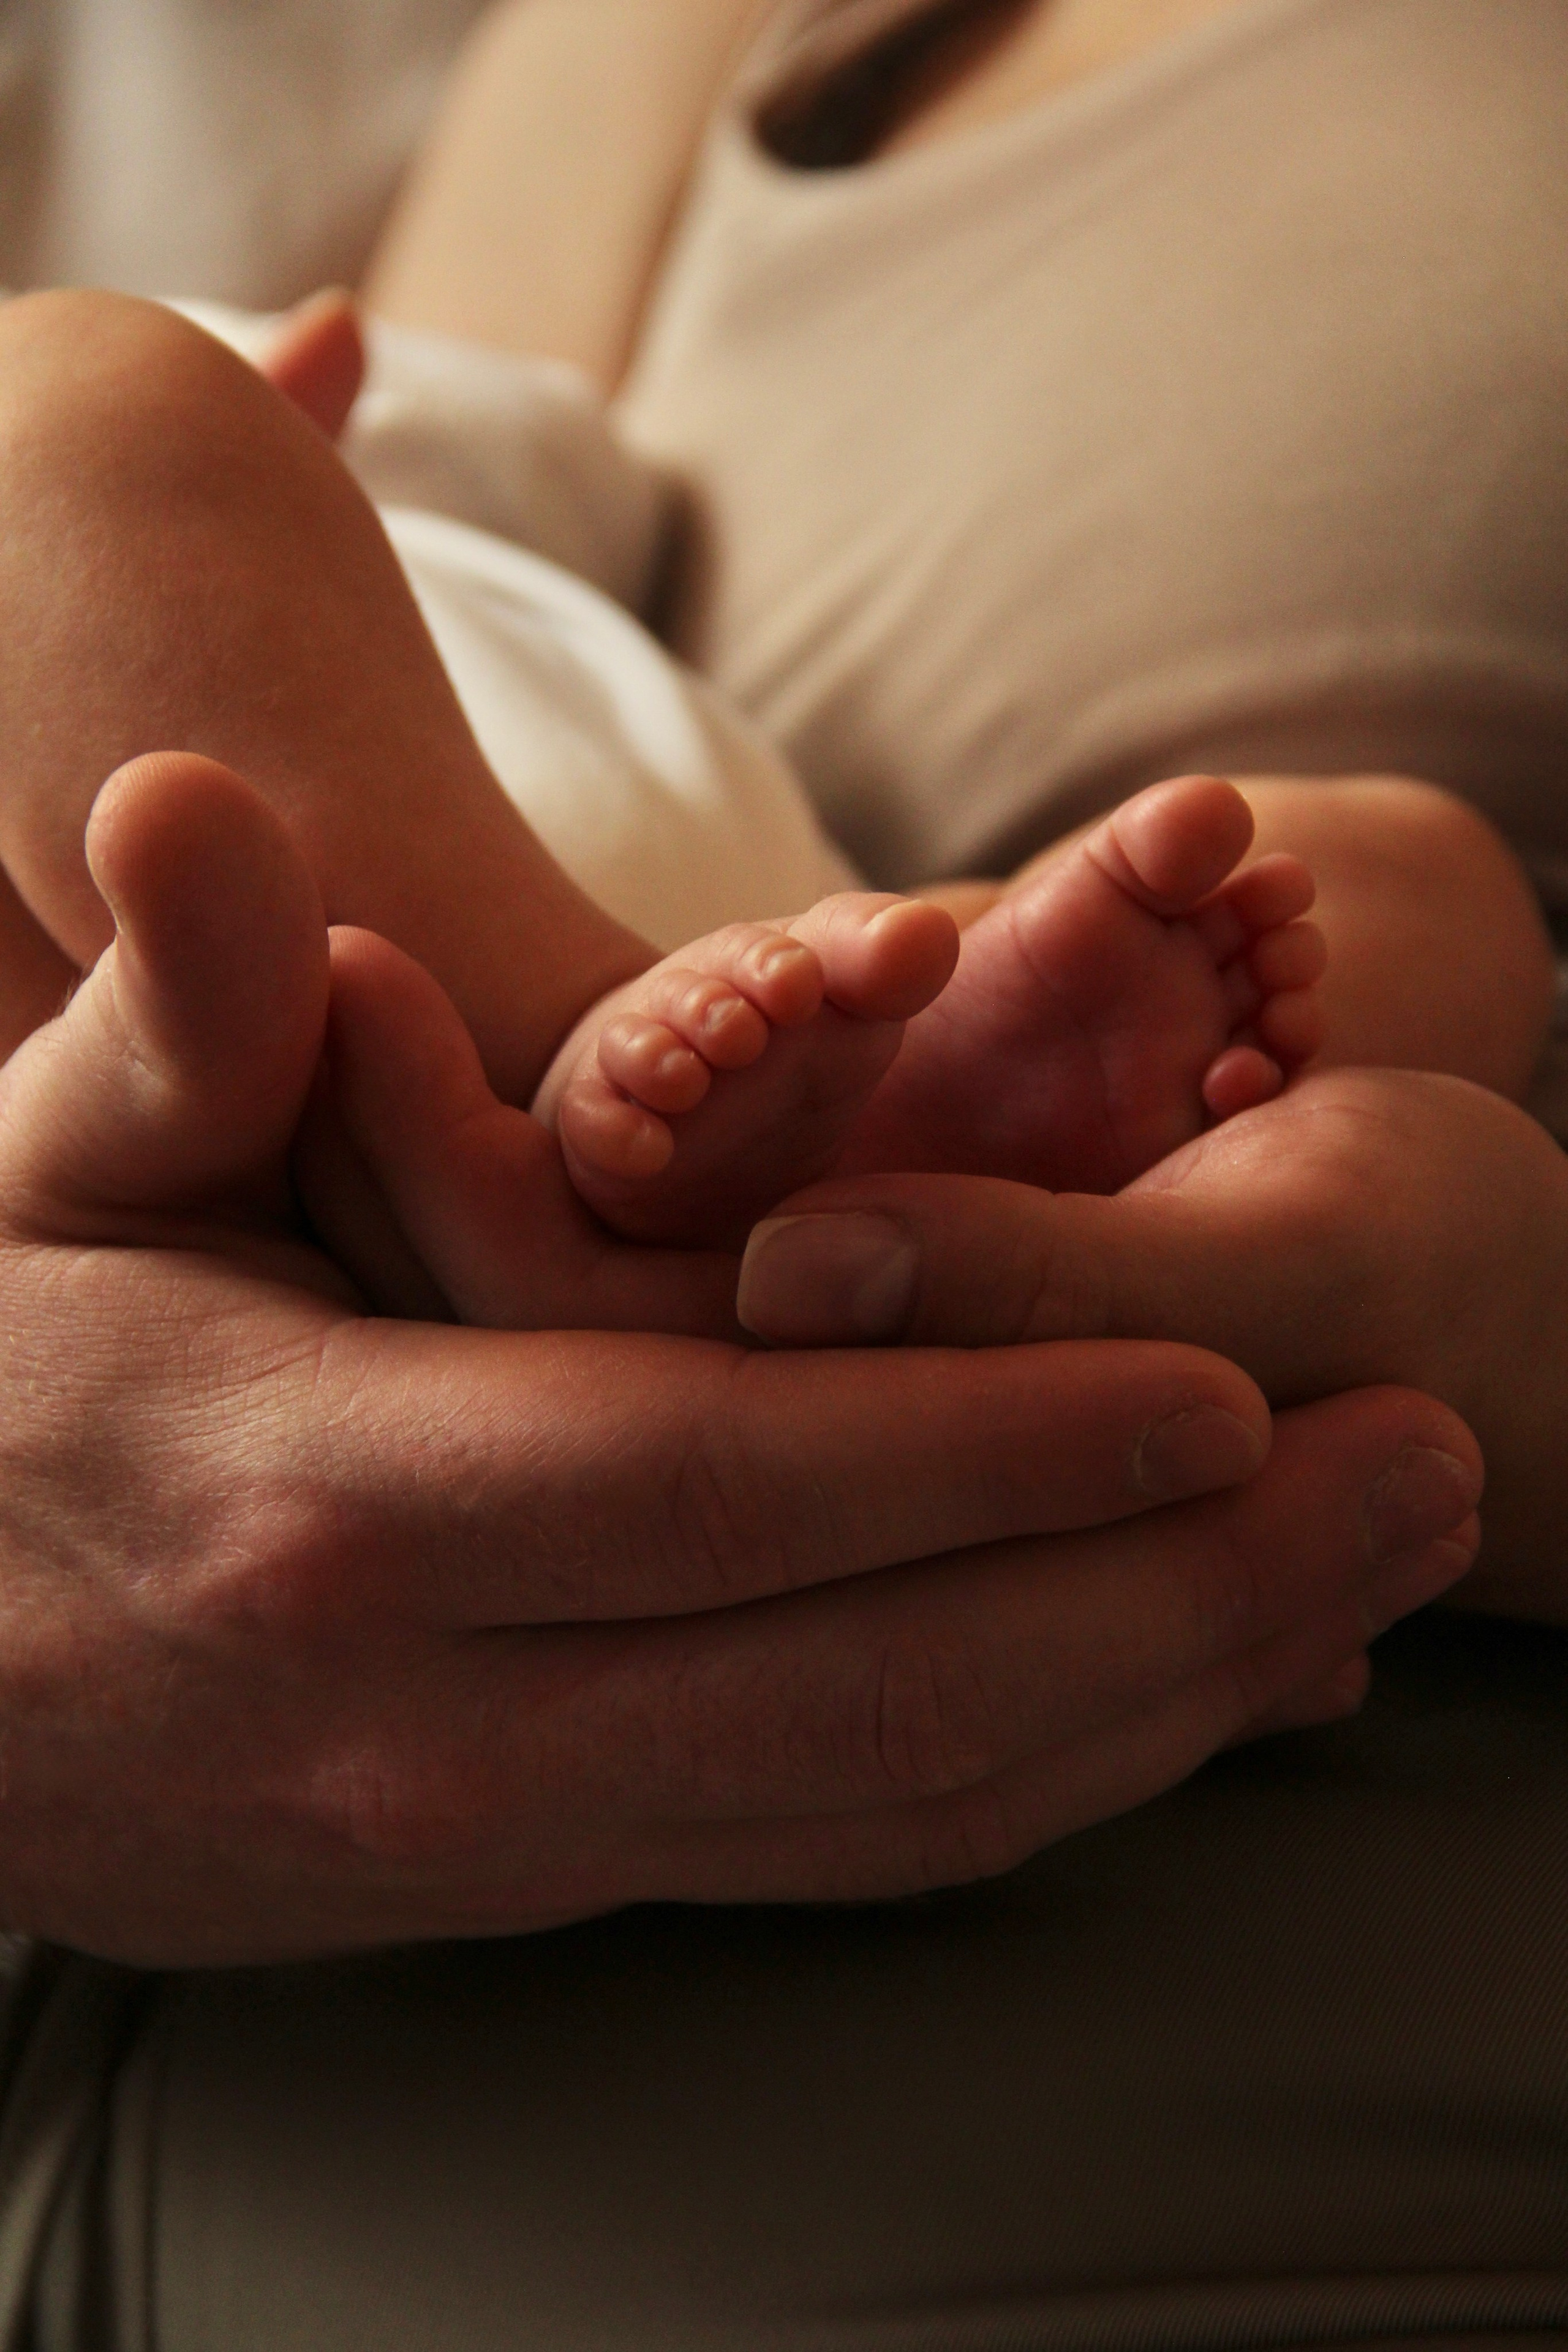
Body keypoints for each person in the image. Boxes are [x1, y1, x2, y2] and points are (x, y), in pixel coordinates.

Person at [0, 4, 1562, 2348]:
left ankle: (647, 1120)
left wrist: (1492, 1340)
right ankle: (669, 1109)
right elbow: (387, 437)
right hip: (521, 918)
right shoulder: (635, 44)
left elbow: (348, 420)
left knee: (1410, 875)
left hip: (666, 916)